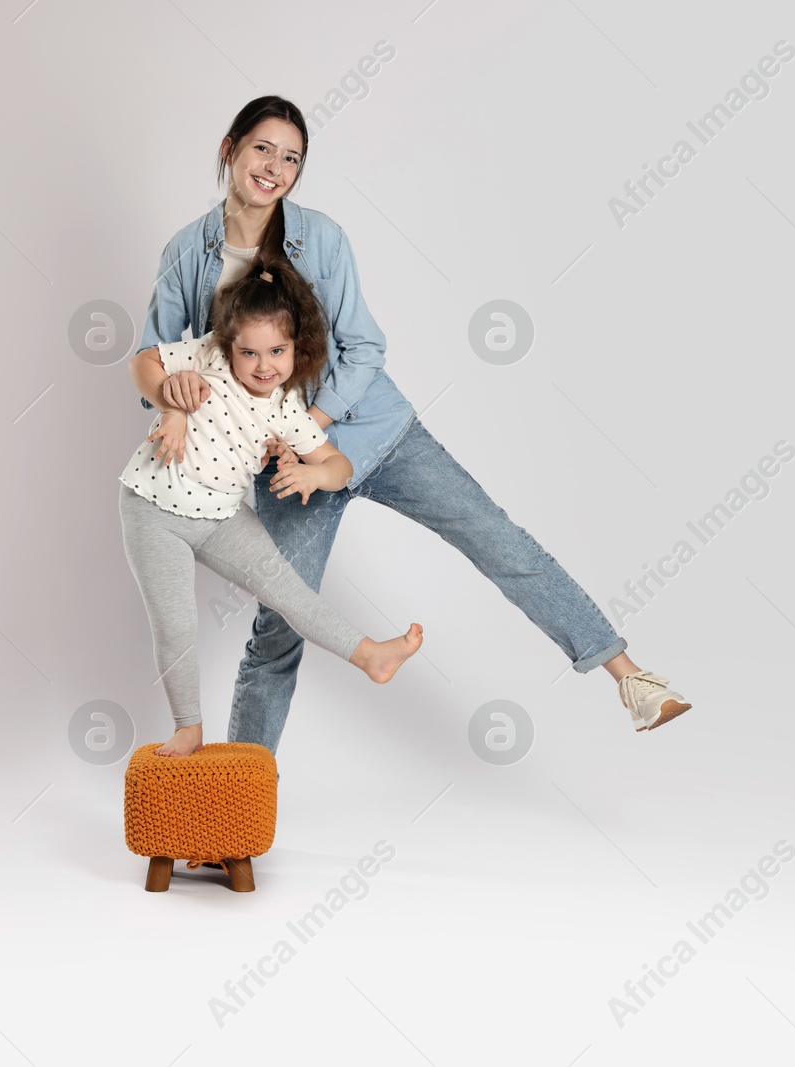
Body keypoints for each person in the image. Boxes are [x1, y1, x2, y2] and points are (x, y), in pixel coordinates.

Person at [135, 95, 692, 755]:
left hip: (376, 434)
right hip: (286, 474)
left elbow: (365, 348)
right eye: (262, 148)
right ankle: (238, 813)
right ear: (230, 148)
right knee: (281, 623)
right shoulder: (187, 252)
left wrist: (307, 428)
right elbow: (151, 358)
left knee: (498, 539)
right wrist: (175, 403)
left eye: (291, 158)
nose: (274, 167)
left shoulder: (322, 239)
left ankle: (628, 676)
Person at [120, 252, 424, 758]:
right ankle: (188, 727)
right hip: (153, 511)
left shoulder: (287, 410)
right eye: (250, 354)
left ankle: (370, 655)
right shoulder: (207, 358)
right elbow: (142, 362)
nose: (264, 367)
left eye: (277, 352)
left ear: (295, 349)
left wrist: (312, 472)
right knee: (176, 625)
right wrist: (171, 404)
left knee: (290, 591)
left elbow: (339, 466)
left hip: (220, 519)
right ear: (228, 348)